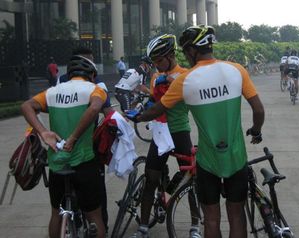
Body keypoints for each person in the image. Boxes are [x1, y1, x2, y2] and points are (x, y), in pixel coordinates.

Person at [126, 25, 265, 238]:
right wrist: (256, 131)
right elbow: (258, 110)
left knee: (210, 219)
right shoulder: (237, 69)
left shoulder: (185, 79)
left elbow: (156, 109)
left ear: (192, 50)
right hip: (236, 157)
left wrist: (137, 116)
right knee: (236, 216)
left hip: (208, 160)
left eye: (185, 51)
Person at [21, 55, 107, 238]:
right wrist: (74, 137)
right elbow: (94, 108)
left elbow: (26, 106)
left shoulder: (52, 92)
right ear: (91, 75)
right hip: (84, 162)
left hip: (57, 164)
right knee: (94, 216)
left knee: (56, 214)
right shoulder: (95, 90)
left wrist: (44, 132)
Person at [129, 34, 201, 238]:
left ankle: (195, 225)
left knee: (189, 180)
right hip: (160, 132)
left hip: (180, 131)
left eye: (160, 60)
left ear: (171, 55)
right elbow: (153, 100)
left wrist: (170, 79)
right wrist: (139, 108)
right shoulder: (154, 77)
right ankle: (143, 226)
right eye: (154, 62)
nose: (157, 66)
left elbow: (188, 85)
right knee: (151, 178)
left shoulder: (185, 74)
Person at [57, 46, 111, 235]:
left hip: (61, 146)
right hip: (89, 145)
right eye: (90, 61)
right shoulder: (97, 84)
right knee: (95, 193)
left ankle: (76, 220)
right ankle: (100, 223)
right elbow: (106, 112)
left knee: (61, 202)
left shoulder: (60, 82)